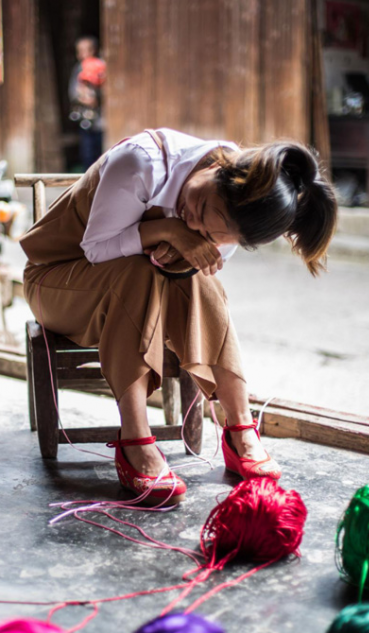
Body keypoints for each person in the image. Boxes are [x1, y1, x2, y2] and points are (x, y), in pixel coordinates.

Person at [20, 128, 337, 505]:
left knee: (201, 281)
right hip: (55, 280)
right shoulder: (142, 164)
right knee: (137, 274)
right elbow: (96, 249)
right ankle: (134, 439)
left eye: (211, 233)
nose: (195, 224)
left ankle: (239, 426)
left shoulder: (234, 209)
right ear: (221, 166)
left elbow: (199, 258)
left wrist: (183, 246)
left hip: (133, 291)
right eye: (201, 209)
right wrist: (170, 230)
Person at [69, 36, 106, 171]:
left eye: (87, 50)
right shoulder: (78, 69)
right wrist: (83, 99)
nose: (83, 54)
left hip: (102, 120)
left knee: (104, 153)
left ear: (94, 50)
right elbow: (72, 92)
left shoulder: (102, 66)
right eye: (80, 51)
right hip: (86, 119)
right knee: (87, 154)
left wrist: (97, 100)